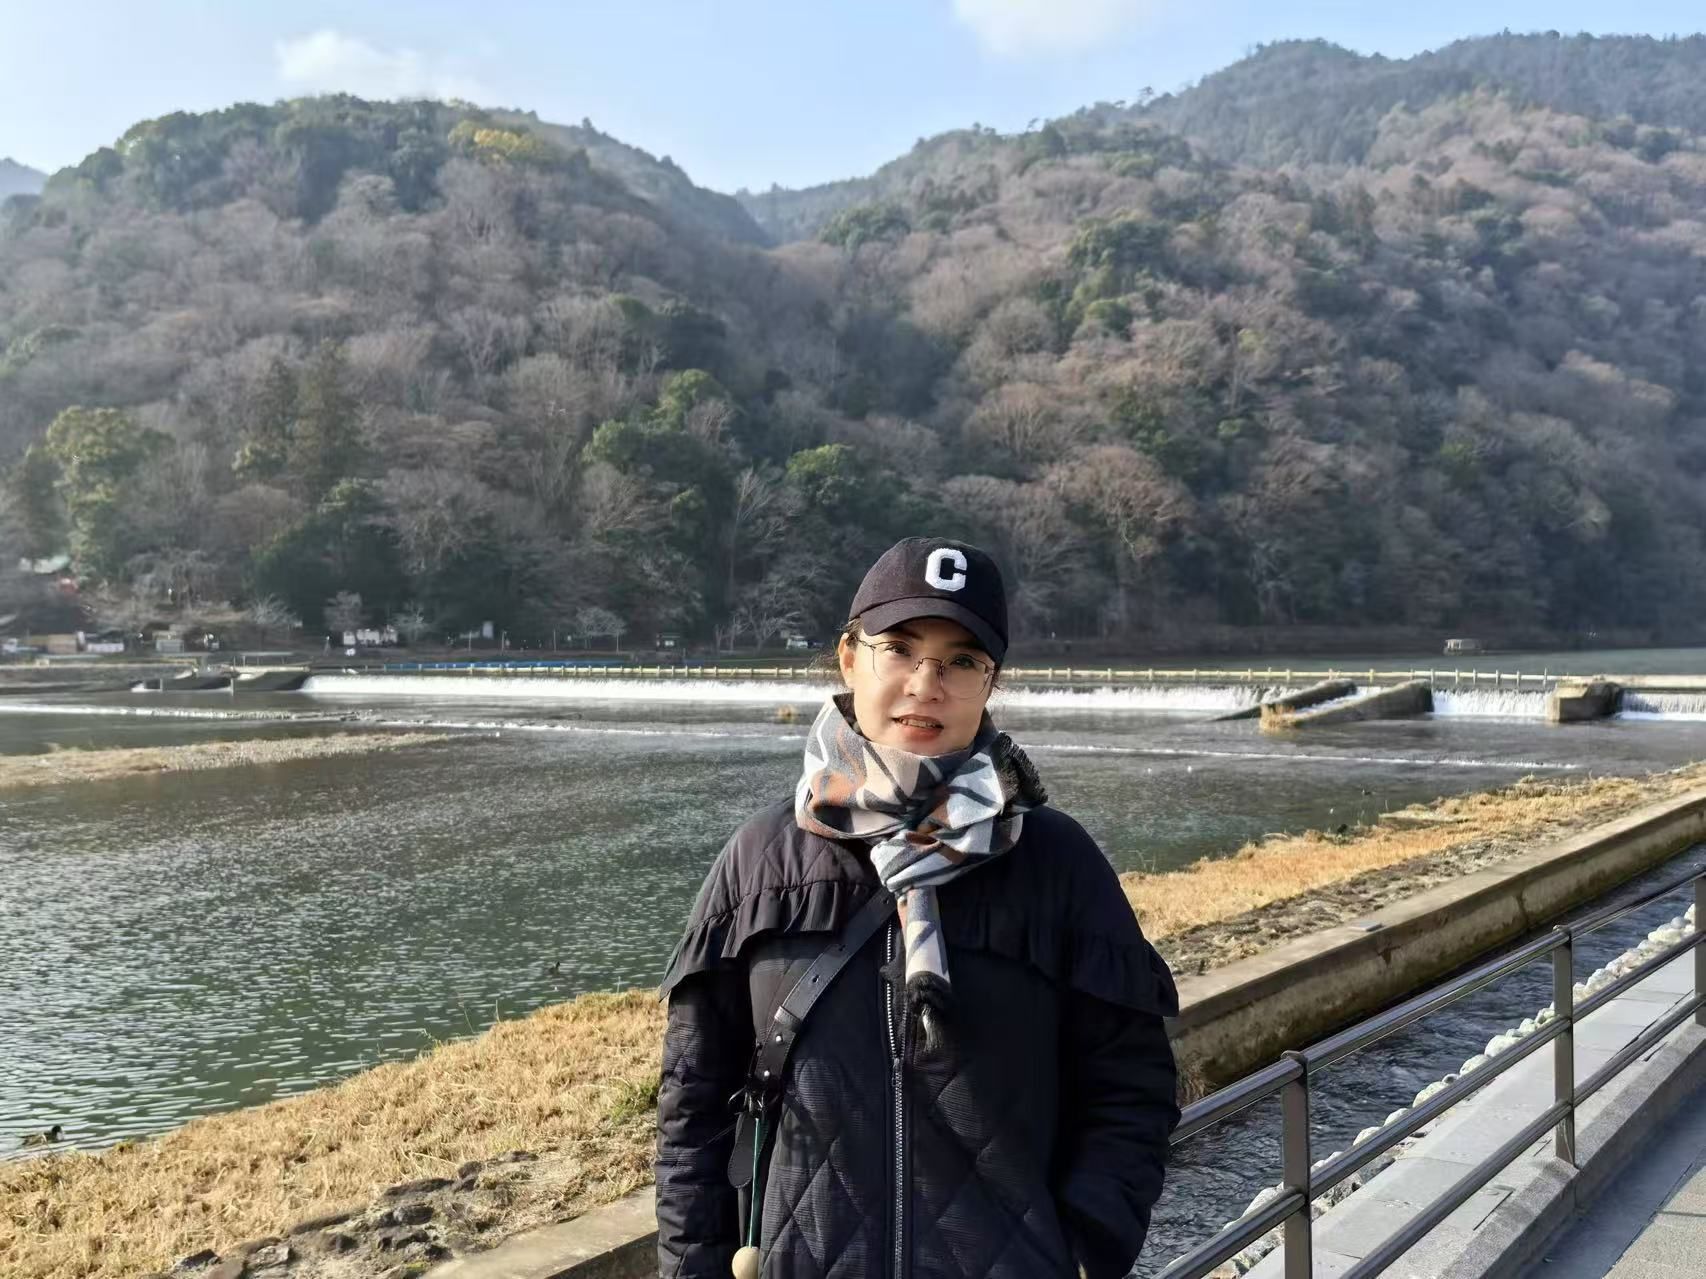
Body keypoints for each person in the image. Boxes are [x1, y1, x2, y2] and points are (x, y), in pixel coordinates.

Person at [656, 537, 1180, 1278]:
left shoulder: (1057, 863)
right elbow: (693, 1106)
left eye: (961, 661)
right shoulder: (761, 860)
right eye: (899, 649)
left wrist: (1082, 1250)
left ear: (990, 684)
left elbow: (1132, 1086)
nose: (926, 683)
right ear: (849, 659)